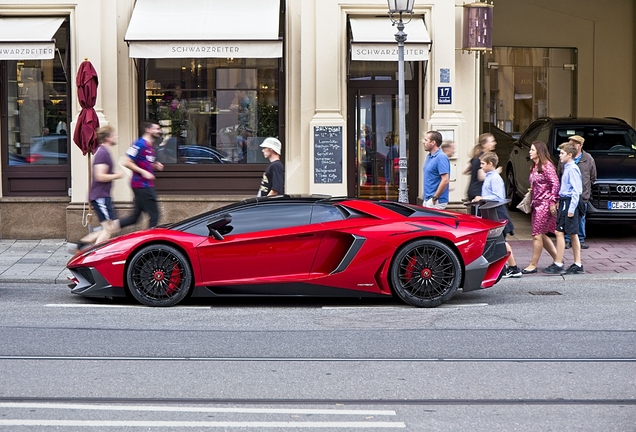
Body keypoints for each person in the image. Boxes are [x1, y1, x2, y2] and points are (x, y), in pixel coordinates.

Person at [70, 125, 124, 251]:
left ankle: (81, 245)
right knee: (109, 228)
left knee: (111, 228)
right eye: (114, 135)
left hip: (102, 196)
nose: (116, 136)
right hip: (100, 196)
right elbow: (100, 176)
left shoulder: (104, 151)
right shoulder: (103, 153)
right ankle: (94, 254)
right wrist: (117, 175)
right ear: (108, 138)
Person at [472, 151, 520, 278]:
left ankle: (514, 268)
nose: (480, 166)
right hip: (492, 212)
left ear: (490, 163)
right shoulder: (489, 176)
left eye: (482, 163)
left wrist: (482, 198)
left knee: (501, 241)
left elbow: (499, 197)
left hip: (498, 213)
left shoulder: (494, 178)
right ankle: (503, 267)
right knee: (496, 241)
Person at [543, 142, 585, 274]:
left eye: (562, 153)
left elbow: (576, 191)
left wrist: (571, 209)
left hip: (569, 202)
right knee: (563, 232)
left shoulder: (572, 169)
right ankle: (563, 262)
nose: (559, 155)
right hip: (565, 202)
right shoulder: (567, 167)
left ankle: (567, 263)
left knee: (570, 233)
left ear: (570, 155)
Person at [117, 120, 164, 230]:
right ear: (148, 130)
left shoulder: (150, 146)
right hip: (142, 185)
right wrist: (144, 172)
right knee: (154, 215)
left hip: (144, 184)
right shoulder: (139, 144)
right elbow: (126, 161)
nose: (159, 131)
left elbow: (144, 163)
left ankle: (109, 227)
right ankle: (150, 242)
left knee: (134, 217)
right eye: (156, 129)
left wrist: (154, 166)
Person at [522, 141, 560, 274]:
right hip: (537, 203)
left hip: (544, 204)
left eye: (532, 149)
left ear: (539, 151)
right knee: (541, 234)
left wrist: (552, 201)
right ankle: (558, 259)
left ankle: (533, 265)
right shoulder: (535, 166)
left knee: (537, 235)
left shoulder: (546, 166)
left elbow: (555, 184)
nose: (530, 152)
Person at [557, 135, 596, 250]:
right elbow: (559, 174)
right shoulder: (564, 160)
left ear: (580, 145)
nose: (571, 145)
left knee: (580, 217)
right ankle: (569, 240)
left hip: (581, 195)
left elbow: (593, 177)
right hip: (567, 196)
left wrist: (586, 188)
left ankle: (580, 239)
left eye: (573, 143)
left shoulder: (588, 158)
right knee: (569, 219)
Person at [465, 133, 497, 202]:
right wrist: (495, 172)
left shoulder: (476, 156)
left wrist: (474, 171)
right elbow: (481, 177)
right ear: (484, 144)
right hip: (478, 192)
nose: (494, 143)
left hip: (472, 189)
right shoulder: (483, 158)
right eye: (492, 141)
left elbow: (465, 170)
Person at [422, 130, 450, 209]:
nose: (423, 142)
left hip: (436, 201)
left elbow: (445, 180)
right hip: (428, 199)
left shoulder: (441, 157)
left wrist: (434, 198)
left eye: (426, 140)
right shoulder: (429, 156)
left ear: (433, 143)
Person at [231, 82, 255, 163]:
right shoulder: (245, 100)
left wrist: (238, 108)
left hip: (246, 127)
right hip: (243, 126)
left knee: (224, 132)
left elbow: (248, 114)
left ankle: (238, 157)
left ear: (243, 92)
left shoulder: (246, 101)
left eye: (237, 92)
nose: (235, 94)